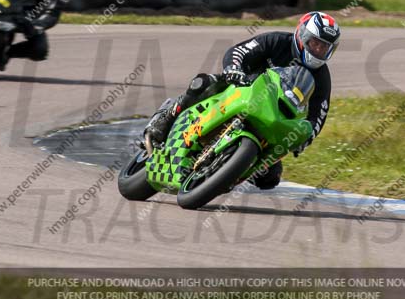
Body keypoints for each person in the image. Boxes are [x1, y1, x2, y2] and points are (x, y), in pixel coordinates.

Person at [144, 11, 340, 190]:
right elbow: (239, 51)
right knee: (203, 83)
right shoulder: (277, 41)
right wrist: (234, 69)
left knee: (270, 178)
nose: (318, 49)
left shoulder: (322, 78)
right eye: (315, 43)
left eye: (324, 47)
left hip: (272, 115)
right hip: (240, 88)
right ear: (302, 36)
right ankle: (166, 117)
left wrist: (305, 138)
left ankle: (231, 169)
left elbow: (318, 116)